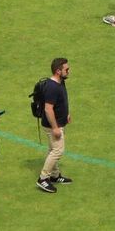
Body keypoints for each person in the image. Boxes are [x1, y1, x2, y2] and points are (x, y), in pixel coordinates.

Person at [37, 57, 72, 193]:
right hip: (53, 125)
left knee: (52, 149)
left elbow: (61, 101)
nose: (68, 71)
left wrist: (66, 114)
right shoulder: (52, 87)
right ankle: (43, 178)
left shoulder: (60, 82)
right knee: (58, 150)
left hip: (58, 122)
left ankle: (54, 175)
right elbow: (48, 109)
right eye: (66, 69)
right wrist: (55, 127)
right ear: (58, 71)